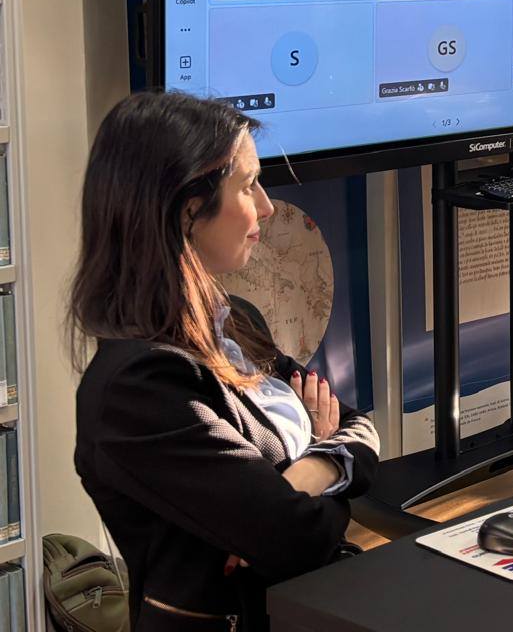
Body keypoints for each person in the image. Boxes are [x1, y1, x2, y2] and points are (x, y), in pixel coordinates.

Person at [71, 91, 379, 631]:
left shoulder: (235, 320)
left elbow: (360, 428)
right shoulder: (137, 388)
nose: (266, 206)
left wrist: (308, 471)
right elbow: (295, 538)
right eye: (247, 185)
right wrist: (325, 461)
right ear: (189, 210)